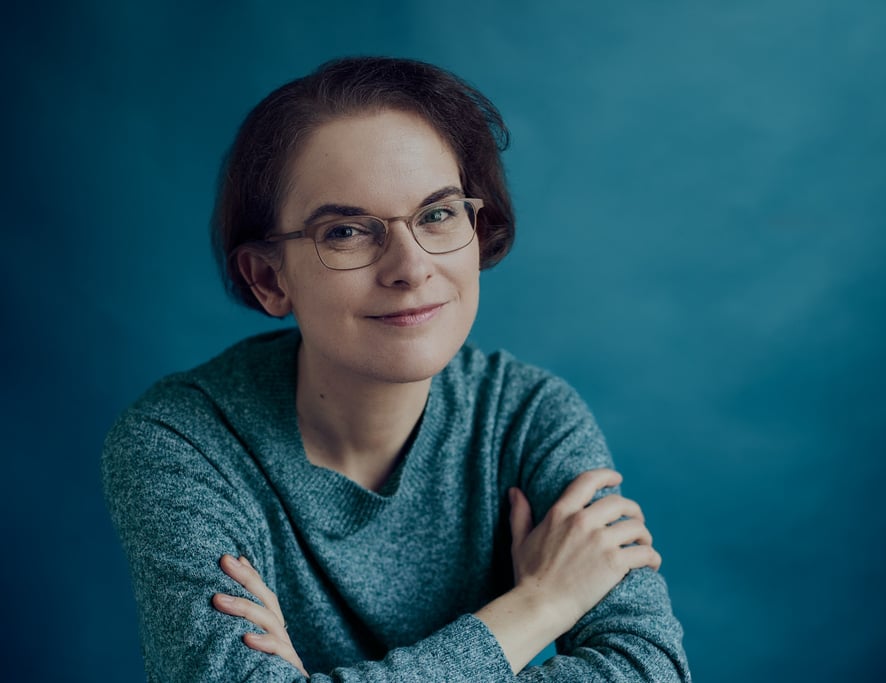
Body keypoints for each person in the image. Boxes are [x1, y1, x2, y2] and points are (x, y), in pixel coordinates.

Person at [102, 56, 691, 682]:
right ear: (270, 279)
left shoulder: (529, 417)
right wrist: (538, 606)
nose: (411, 268)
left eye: (438, 214)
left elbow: (647, 669)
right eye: (348, 231)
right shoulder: (180, 444)